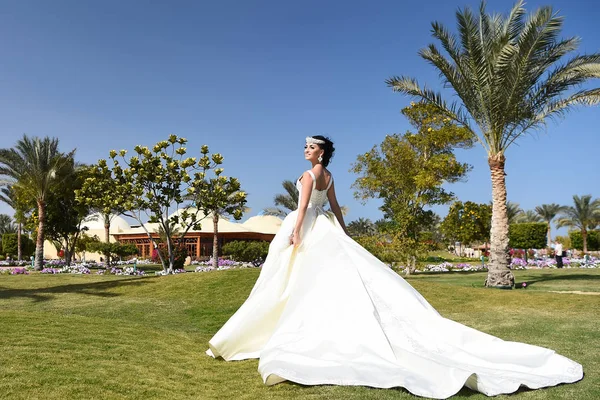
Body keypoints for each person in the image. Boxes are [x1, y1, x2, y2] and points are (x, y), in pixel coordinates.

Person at [206, 136, 583, 399]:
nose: (305, 151)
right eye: (305, 146)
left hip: (306, 227)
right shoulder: (331, 176)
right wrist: (344, 231)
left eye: (310, 147)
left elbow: (304, 207)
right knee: (316, 277)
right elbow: (334, 207)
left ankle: (282, 327)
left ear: (320, 153)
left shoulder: (308, 176)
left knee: (290, 278)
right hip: (326, 229)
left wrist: (297, 234)